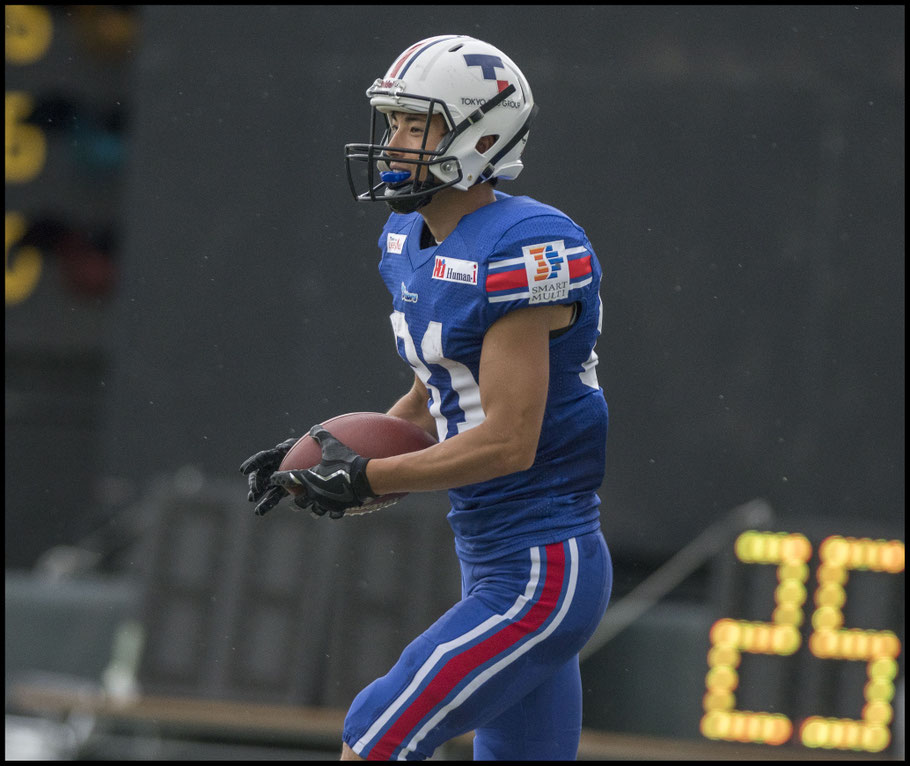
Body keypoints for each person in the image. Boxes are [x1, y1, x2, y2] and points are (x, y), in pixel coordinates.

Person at [240, 34, 612, 761]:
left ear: (482, 130)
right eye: (395, 123)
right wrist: (322, 456)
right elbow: (435, 387)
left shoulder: (526, 245)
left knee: (374, 734)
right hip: (495, 555)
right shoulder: (407, 238)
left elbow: (510, 440)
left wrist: (371, 476)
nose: (394, 143)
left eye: (417, 124)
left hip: (541, 568)